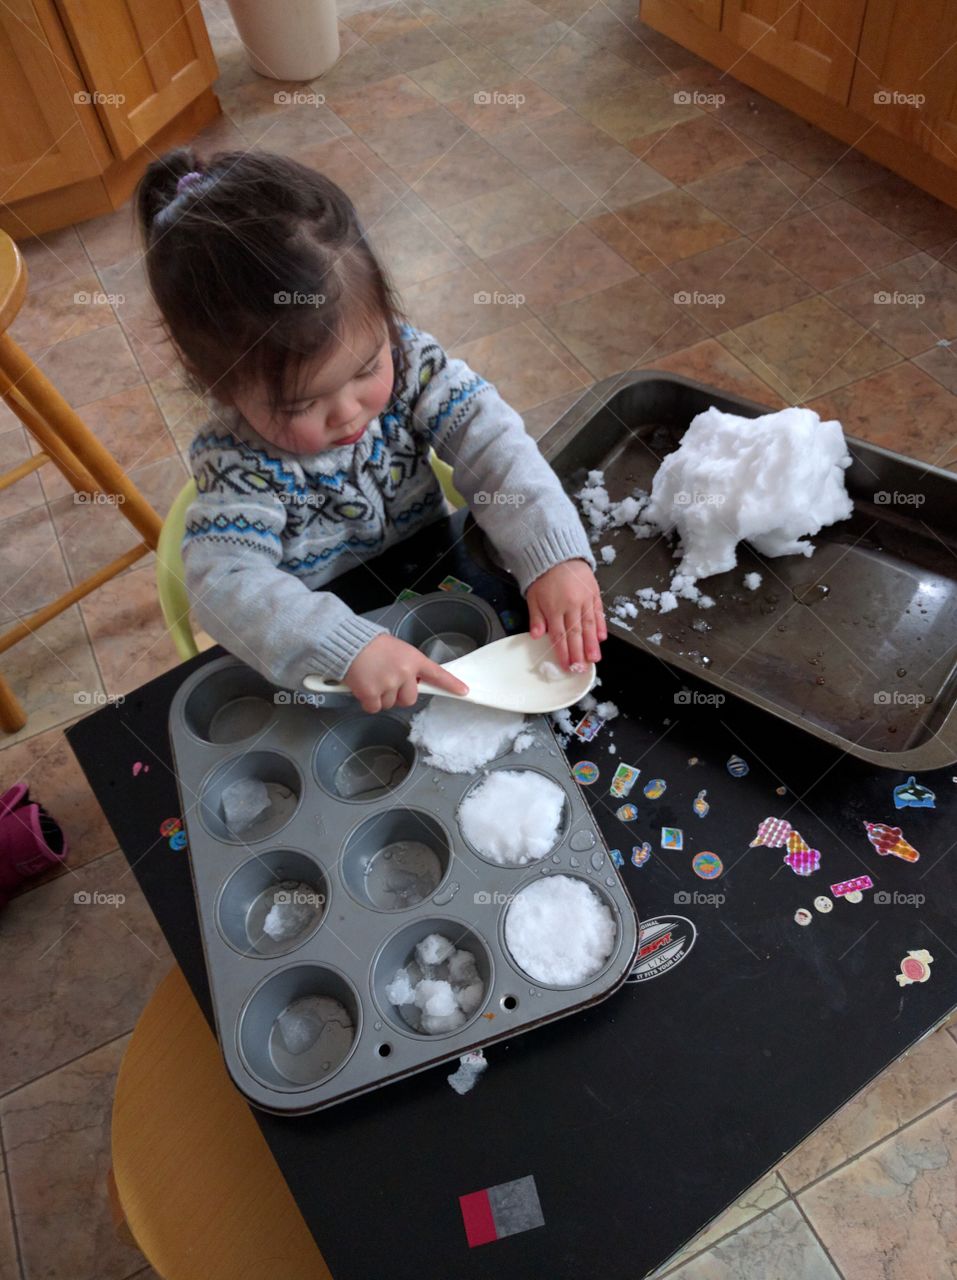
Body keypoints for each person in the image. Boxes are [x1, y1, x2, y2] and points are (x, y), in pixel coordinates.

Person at [135, 148, 606, 713]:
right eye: (302, 403)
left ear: (385, 317)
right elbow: (223, 585)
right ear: (223, 389)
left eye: (365, 370)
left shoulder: (412, 366)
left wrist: (550, 552)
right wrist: (343, 645)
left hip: (436, 580)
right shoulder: (239, 466)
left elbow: (493, 444)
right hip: (334, 647)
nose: (348, 412)